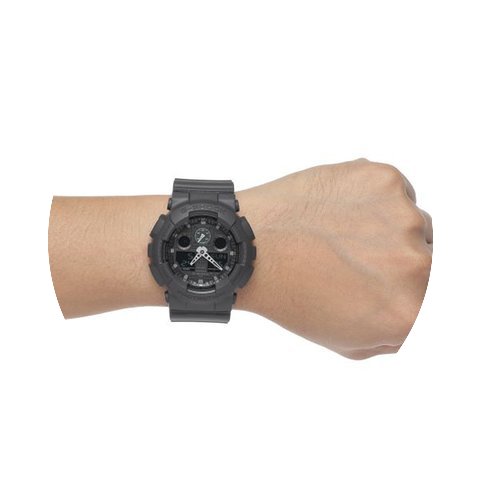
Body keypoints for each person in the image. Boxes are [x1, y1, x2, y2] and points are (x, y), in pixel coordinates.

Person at [48, 158, 432, 359]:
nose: (200, 253)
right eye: (196, 251)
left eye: (205, 251)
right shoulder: (177, 256)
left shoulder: (197, 253)